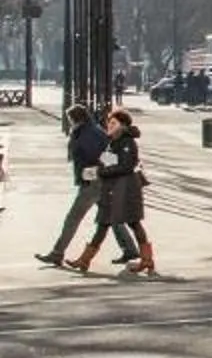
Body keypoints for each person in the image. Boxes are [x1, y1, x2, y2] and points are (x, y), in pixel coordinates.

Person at [73, 108, 154, 275]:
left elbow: (126, 166)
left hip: (126, 189)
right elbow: (107, 162)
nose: (109, 125)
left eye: (113, 123)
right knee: (103, 224)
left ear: (122, 125)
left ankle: (147, 259)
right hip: (112, 190)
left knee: (133, 222)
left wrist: (100, 172)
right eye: (109, 123)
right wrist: (95, 169)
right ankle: (84, 260)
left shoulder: (127, 142)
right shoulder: (113, 142)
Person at [38, 104, 110, 269]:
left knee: (73, 218)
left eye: (71, 119)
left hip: (93, 182)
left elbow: (96, 159)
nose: (70, 123)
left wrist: (88, 177)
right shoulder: (92, 130)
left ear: (77, 119)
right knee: (114, 219)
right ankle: (131, 249)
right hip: (100, 180)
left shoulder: (87, 134)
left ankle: (57, 253)